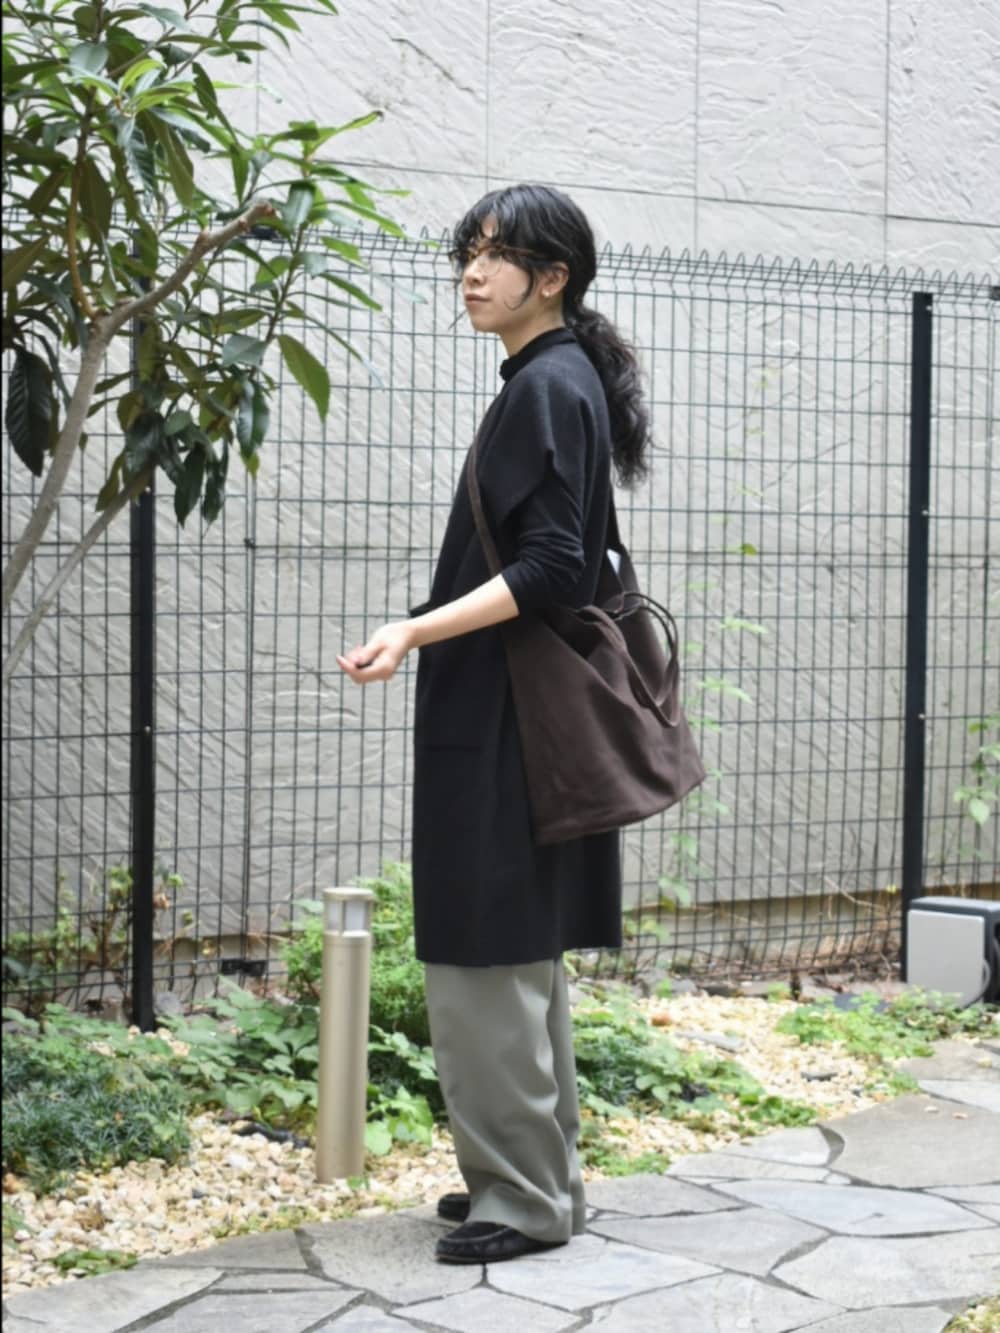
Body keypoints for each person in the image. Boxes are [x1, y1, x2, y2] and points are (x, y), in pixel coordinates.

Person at [336, 182, 651, 1265]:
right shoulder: (557, 379)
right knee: (516, 950)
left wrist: (413, 628)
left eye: (495, 255)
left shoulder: (545, 387)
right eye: (466, 254)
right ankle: (534, 1180)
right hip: (522, 715)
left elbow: (554, 566)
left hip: (510, 715)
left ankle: (522, 1197)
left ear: (551, 278)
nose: (471, 274)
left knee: (485, 948)